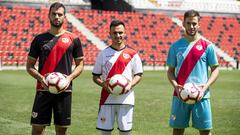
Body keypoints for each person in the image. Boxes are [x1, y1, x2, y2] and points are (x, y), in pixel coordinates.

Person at [26, 2, 84, 135]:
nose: (56, 17)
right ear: (49, 15)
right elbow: (29, 66)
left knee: (61, 130)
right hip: (43, 89)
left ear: (65, 17)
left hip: (64, 90)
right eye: (54, 14)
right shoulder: (39, 39)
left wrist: (69, 78)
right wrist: (42, 79)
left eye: (60, 14)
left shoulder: (74, 39)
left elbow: (80, 64)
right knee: (37, 129)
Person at [166, 10, 219, 135]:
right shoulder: (175, 47)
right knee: (177, 131)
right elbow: (170, 72)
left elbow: (215, 69)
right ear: (183, 24)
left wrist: (204, 88)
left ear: (199, 24)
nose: (191, 26)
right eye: (188, 23)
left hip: (202, 96)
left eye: (194, 23)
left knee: (205, 131)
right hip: (180, 95)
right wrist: (176, 87)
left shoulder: (208, 46)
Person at [92, 20, 143, 135]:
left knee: (125, 133)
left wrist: (130, 84)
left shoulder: (133, 54)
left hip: (126, 99)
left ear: (125, 33)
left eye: (120, 32)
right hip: (106, 98)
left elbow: (138, 75)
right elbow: (95, 76)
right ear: (110, 34)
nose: (118, 35)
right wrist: (103, 84)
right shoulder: (103, 53)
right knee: (105, 133)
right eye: (114, 33)